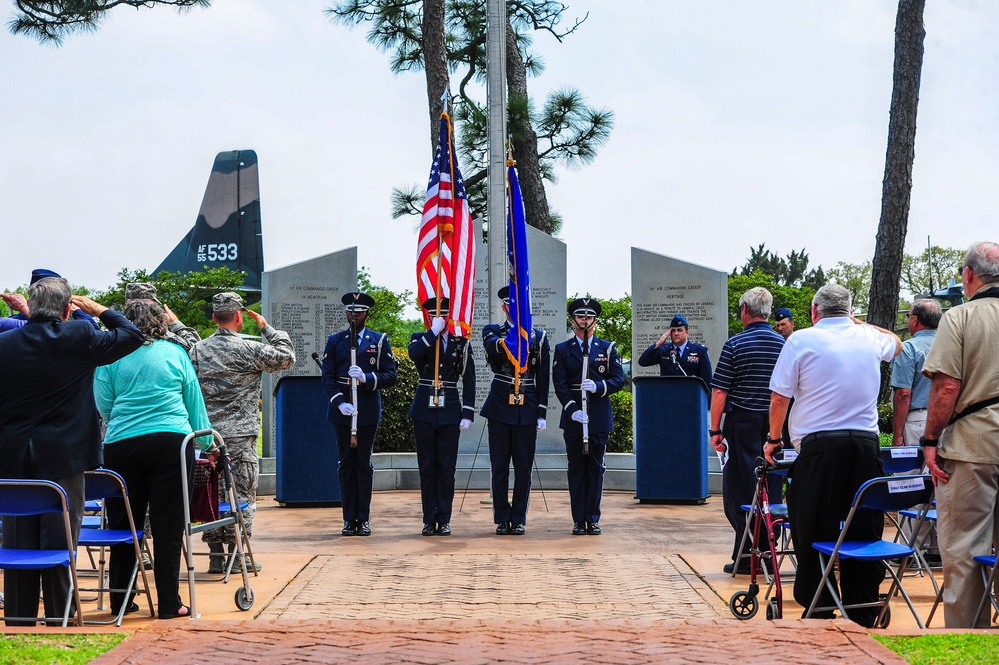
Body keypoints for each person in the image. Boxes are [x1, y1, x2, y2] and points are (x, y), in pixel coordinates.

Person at [0, 278, 143, 625]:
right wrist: (97, 310)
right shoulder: (78, 336)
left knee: (19, 541)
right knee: (62, 540)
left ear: (30, 307)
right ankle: (59, 615)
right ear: (67, 310)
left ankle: (19, 617)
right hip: (65, 455)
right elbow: (133, 335)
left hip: (13, 454)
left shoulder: (4, 343)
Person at [765, 283, 901, 627]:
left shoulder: (800, 340)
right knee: (863, 527)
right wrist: (863, 324)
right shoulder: (869, 337)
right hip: (865, 446)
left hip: (819, 450)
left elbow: (780, 397)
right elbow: (897, 344)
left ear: (814, 311)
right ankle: (863, 604)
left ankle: (819, 604)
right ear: (850, 311)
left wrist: (773, 439)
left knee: (813, 525)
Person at [94, 298, 218, 620]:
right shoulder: (176, 353)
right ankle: (168, 603)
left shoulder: (111, 356)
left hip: (122, 444)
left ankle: (121, 599)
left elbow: (103, 405)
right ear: (161, 322)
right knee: (168, 523)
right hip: (171, 444)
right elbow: (194, 406)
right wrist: (208, 445)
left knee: (124, 522)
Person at [921, 241, 999, 628]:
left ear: (969, 275)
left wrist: (930, 441)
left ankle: (969, 639)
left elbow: (947, 387)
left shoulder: (960, 317)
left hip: (974, 446)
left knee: (966, 549)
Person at [189, 292, 296, 573]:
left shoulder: (198, 350)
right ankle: (238, 557)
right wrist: (267, 329)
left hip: (207, 438)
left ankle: (214, 555)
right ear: (239, 317)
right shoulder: (249, 350)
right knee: (242, 497)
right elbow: (287, 357)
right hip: (240, 439)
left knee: (210, 494)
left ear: (214, 318)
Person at [708, 287, 785, 574]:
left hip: (742, 424)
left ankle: (745, 555)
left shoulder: (735, 345)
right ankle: (766, 552)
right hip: (775, 425)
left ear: (744, 310)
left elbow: (719, 392)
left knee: (740, 490)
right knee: (771, 488)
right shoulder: (783, 345)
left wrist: (715, 430)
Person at [321, 291, 397, 536]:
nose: (355, 315)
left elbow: (391, 375)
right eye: (351, 311)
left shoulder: (379, 340)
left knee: (363, 465)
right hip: (344, 411)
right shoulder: (335, 341)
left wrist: (367, 378)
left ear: (366, 313)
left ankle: (362, 518)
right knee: (346, 464)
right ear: (346, 313)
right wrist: (340, 402)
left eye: (360, 311)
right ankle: (348, 518)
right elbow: (327, 378)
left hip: (366, 410)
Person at [552, 297, 627, 535]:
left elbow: (618, 380)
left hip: (598, 416)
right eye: (581, 317)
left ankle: (592, 518)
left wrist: (598, 386)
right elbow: (560, 384)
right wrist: (572, 409)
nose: (585, 321)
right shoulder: (563, 350)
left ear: (595, 320)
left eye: (589, 317)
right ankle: (578, 519)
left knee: (596, 468)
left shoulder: (607, 348)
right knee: (576, 468)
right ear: (573, 320)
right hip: (575, 418)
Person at [480, 286, 551, 535]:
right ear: (504, 307)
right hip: (500, 405)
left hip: (527, 406)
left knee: (523, 467)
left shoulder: (539, 338)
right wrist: (519, 333)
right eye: (511, 304)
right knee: (499, 466)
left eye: (519, 303)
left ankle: (519, 517)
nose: (515, 308)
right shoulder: (492, 331)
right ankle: (501, 516)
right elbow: (494, 349)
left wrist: (541, 412)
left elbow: (544, 376)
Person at [408, 297, 476, 536]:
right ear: (429, 317)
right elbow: (414, 355)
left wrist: (467, 412)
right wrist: (433, 333)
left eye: (445, 315)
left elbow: (469, 378)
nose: (442, 318)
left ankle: (444, 518)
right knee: (427, 467)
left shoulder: (461, 342)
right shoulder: (420, 338)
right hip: (424, 410)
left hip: (449, 410)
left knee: (446, 468)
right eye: (437, 315)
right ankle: (429, 519)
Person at [889, 298, 941, 447]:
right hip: (948, 420)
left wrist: (897, 435)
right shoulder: (952, 346)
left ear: (915, 320)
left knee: (911, 469)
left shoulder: (907, 349)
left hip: (918, 422)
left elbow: (903, 394)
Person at [6, 269, 100, 329]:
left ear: (30, 296)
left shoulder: (9, 325)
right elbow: (93, 332)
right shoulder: (68, 332)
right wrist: (77, 310)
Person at [636, 313, 712, 387]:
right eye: (673, 331)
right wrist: (658, 344)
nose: (676, 333)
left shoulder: (699, 351)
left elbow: (707, 381)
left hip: (691, 396)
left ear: (686, 333)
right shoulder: (664, 350)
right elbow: (643, 361)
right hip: (669, 396)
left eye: (679, 330)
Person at [124, 282, 202, 351]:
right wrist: (177, 325)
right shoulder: (161, 334)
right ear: (153, 307)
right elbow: (197, 351)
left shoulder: (117, 334)